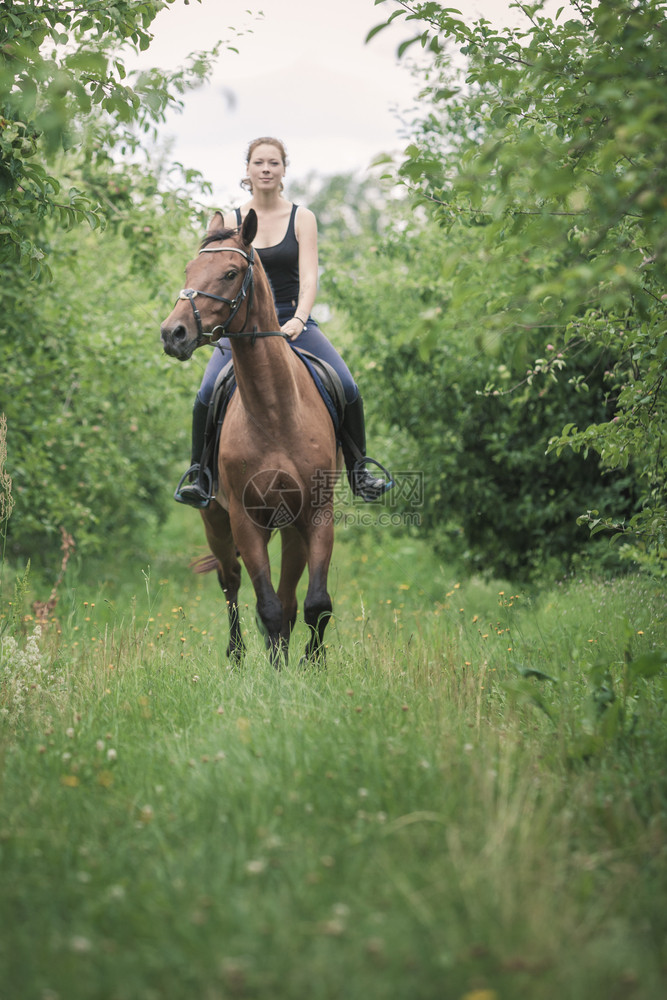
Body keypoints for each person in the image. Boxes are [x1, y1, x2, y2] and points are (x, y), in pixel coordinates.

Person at [175, 136, 391, 508]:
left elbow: (309, 278)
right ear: (247, 170)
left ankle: (359, 472)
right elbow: (210, 274)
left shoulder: (302, 217)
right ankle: (201, 476)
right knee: (207, 394)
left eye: (273, 163)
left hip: (293, 322)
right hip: (239, 331)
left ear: (283, 171)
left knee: (347, 385)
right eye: (258, 163)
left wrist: (300, 320)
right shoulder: (230, 220)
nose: (265, 169)